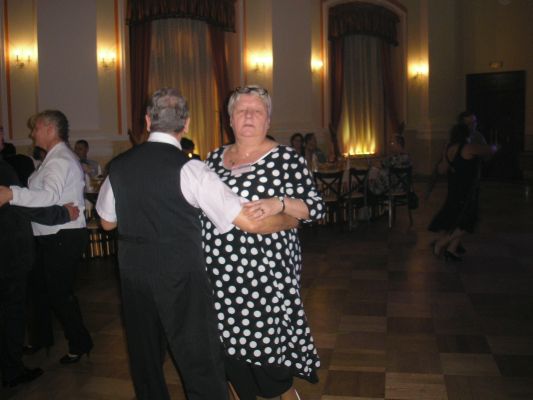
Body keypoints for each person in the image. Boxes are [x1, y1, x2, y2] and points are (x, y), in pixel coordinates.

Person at [95, 88, 297, 400]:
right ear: (186, 123)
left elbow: (107, 222)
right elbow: (249, 223)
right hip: (180, 274)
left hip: (134, 273)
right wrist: (289, 219)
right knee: (198, 358)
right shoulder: (191, 169)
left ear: (148, 121)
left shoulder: (119, 166)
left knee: (145, 356)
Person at [201, 85, 325, 400]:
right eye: (241, 110)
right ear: (230, 118)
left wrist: (280, 203)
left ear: (268, 120)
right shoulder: (213, 159)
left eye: (257, 111)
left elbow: (315, 208)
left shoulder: (285, 159)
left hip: (265, 281)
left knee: (269, 362)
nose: (249, 116)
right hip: (219, 280)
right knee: (229, 358)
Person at [0, 110, 93, 364]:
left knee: (59, 294)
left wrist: (12, 194)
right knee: (40, 291)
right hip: (52, 234)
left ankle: (80, 342)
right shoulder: (53, 158)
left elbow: (49, 196)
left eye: (36, 128)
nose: (32, 133)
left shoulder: (59, 159)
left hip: (63, 236)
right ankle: (42, 338)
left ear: (50, 129)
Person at [428, 123, 497, 261]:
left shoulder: (449, 148)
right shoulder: (467, 147)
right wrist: (495, 146)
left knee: (460, 221)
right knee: (468, 222)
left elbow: (442, 169)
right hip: (466, 191)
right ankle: (441, 243)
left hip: (455, 189)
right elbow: (488, 150)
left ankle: (451, 250)